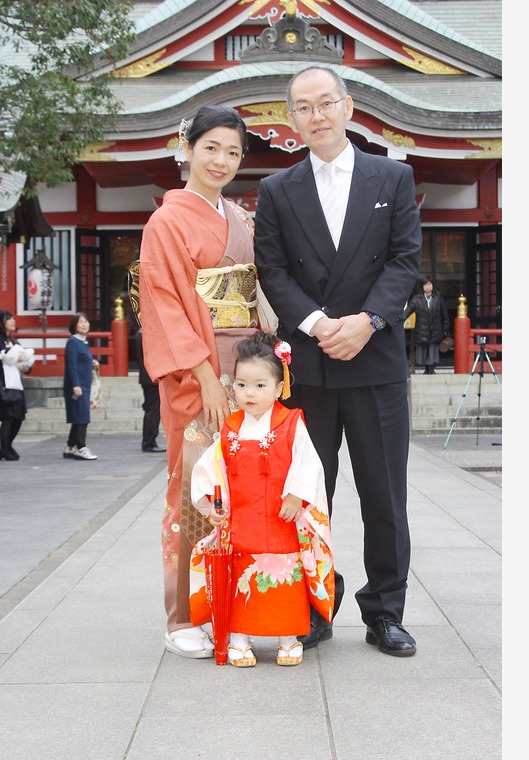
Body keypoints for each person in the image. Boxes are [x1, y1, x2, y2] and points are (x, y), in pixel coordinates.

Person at [254, 65, 422, 657]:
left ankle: (385, 612)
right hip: (312, 363)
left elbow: (404, 260)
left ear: (348, 108)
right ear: (292, 119)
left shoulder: (393, 177)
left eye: (326, 103)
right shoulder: (277, 191)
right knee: (308, 493)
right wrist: (320, 324)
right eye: (303, 107)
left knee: (384, 494)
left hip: (374, 360)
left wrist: (369, 320)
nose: (316, 115)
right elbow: (272, 270)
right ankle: (314, 604)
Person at [138, 104, 271, 659]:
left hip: (244, 369)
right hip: (200, 373)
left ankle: (230, 605)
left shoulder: (236, 216)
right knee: (192, 492)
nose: (222, 160)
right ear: (187, 146)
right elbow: (165, 303)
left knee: (239, 492)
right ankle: (181, 616)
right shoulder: (166, 221)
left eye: (233, 151)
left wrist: (260, 297)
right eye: (211, 147)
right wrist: (206, 377)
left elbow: (249, 274)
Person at [186, 332, 334, 667]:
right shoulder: (232, 427)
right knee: (242, 574)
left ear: (280, 387)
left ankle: (287, 638)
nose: (248, 393)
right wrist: (214, 505)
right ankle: (239, 639)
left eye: (260, 385)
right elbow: (212, 467)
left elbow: (308, 461)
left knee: (285, 574)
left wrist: (297, 494)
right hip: (243, 517)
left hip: (280, 516)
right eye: (241, 385)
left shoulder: (291, 421)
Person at [63, 312, 99, 461]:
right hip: (77, 386)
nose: (84, 324)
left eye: (86, 322)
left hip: (85, 383)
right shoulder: (73, 341)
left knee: (79, 416)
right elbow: (71, 365)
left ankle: (70, 447)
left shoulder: (83, 341)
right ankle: (81, 447)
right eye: (80, 322)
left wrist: (92, 363)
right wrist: (75, 385)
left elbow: (80, 361)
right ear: (74, 326)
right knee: (82, 417)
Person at [0, 310, 32, 461]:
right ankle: (4, 448)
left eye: (13, 319)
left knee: (18, 417)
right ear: (0, 322)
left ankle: (8, 446)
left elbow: (21, 357)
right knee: (8, 416)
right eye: (8, 319)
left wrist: (27, 366)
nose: (12, 321)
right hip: (3, 381)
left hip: (16, 381)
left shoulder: (13, 339)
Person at [404, 278, 450, 374]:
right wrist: (401, 318)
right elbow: (409, 310)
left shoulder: (438, 298)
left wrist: (445, 327)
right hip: (422, 328)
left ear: (433, 286)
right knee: (423, 349)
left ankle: (432, 367)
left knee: (433, 348)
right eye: (425, 285)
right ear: (422, 287)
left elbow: (444, 314)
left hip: (435, 327)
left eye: (429, 284)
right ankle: (426, 367)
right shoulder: (417, 299)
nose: (427, 287)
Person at [134, 327, 165, 453]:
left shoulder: (141, 333)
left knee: (150, 409)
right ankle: (149, 442)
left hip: (147, 377)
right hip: (152, 378)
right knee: (153, 410)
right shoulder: (146, 334)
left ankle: (149, 440)